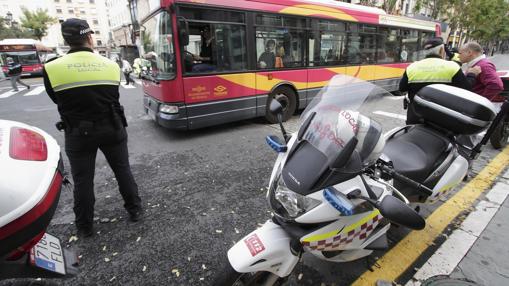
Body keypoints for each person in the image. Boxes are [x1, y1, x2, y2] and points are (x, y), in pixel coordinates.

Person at [42, 18, 142, 238]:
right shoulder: (110, 65)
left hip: (77, 132)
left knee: (83, 180)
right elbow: (112, 95)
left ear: (66, 40)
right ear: (89, 37)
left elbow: (56, 99)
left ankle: (85, 226)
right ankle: (135, 210)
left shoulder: (51, 67)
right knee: (122, 170)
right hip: (112, 127)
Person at [399, 37, 478, 124]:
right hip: (442, 121)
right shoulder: (452, 67)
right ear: (441, 50)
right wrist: (472, 74)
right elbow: (467, 89)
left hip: (415, 118)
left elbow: (402, 88)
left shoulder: (412, 67)